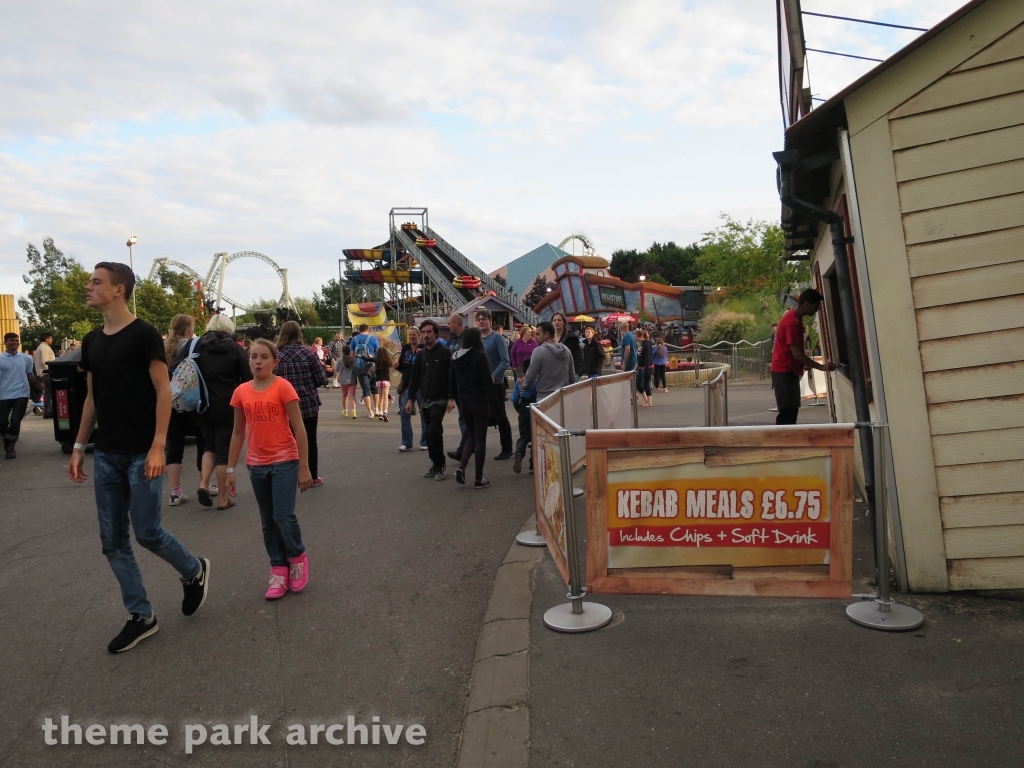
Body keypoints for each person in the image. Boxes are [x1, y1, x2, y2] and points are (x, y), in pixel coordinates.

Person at [68, 262, 210, 653]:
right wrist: (79, 447)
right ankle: (141, 615)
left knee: (147, 531)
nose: (88, 286)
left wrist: (159, 444)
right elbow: (92, 398)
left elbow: (164, 391)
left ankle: (193, 569)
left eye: (96, 281)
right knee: (112, 540)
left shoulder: (144, 334)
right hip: (107, 453)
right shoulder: (91, 341)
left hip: (143, 451)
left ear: (119, 289)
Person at [225, 339, 313, 600]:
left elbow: (299, 427)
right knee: (268, 520)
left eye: (264, 357)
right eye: (253, 356)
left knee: (283, 516)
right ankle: (278, 568)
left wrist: (304, 467)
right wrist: (230, 469)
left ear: (275, 362)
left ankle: (296, 558)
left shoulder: (282, 386)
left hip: (285, 460)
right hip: (257, 464)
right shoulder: (241, 392)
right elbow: (238, 432)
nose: (258, 361)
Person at [181, 314, 252, 509]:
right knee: (223, 453)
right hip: (227, 406)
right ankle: (222, 498)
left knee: (208, 445)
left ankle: (204, 483)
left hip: (200, 404)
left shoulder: (195, 345)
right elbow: (247, 378)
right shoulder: (235, 349)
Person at [772, 289, 837, 425]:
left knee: (790, 412)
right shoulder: (792, 322)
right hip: (784, 372)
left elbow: (793, 352)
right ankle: (783, 439)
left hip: (787, 371)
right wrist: (821, 367)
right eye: (816, 305)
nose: (818, 309)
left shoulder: (794, 317)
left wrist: (802, 363)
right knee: (787, 414)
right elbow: (797, 353)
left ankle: (786, 438)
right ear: (806, 304)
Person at [276, 320, 326, 486]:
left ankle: (288, 475)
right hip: (308, 403)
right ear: (299, 333)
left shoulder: (277, 356)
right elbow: (321, 379)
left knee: (286, 441)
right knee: (310, 439)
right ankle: (312, 475)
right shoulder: (309, 354)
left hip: (283, 405)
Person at [448, 327, 498, 489]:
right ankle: (478, 479)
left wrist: (457, 400)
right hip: (479, 402)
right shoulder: (479, 356)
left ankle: (462, 466)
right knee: (480, 440)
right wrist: (496, 406)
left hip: (464, 403)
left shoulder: (455, 357)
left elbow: (452, 383)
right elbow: (487, 384)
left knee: (471, 435)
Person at [164, 314, 206, 506]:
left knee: (174, 445)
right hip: (191, 400)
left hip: (170, 401)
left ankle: (175, 492)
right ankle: (204, 483)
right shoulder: (194, 345)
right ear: (189, 330)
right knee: (202, 440)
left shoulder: (164, 348)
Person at [405, 320, 452, 481]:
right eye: (424, 332)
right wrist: (410, 399)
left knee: (433, 430)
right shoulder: (421, 354)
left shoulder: (445, 352)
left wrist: (451, 397)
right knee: (429, 433)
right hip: (425, 399)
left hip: (440, 399)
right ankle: (435, 463)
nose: (426, 335)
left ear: (436, 334)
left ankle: (441, 465)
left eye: (429, 332)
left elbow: (451, 376)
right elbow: (415, 378)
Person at [474, 309, 514, 460]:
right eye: (478, 319)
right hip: (480, 385)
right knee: (478, 417)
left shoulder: (497, 338)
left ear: (490, 321)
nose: (481, 321)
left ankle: (507, 448)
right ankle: (474, 447)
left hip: (495, 384)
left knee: (500, 416)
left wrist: (494, 376)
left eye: (483, 319)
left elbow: (505, 360)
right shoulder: (477, 339)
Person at [1, 332, 34, 459]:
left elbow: (29, 375)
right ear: (5, 342)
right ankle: (7, 439)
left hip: (22, 393)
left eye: (16, 340)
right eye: (11, 340)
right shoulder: (1, 359)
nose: (15, 343)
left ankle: (10, 448)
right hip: (4, 394)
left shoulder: (26, 358)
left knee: (15, 420)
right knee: (2, 422)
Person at [523, 321, 575, 401]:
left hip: (545, 397)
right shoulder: (567, 350)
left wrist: (524, 385)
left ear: (547, 334)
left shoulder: (538, 351)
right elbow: (572, 377)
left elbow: (531, 375)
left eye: (538, 334)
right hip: (563, 397)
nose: (535, 337)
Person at [396, 326, 427, 451]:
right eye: (410, 335)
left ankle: (425, 441)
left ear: (419, 335)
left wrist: (422, 355)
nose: (411, 337)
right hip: (408, 384)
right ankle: (406, 442)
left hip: (421, 385)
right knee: (404, 412)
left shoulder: (424, 348)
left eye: (414, 334)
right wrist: (397, 366)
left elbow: (428, 365)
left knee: (424, 413)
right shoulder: (405, 348)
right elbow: (402, 365)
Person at [511, 355, 538, 474]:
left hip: (523, 411)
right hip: (535, 411)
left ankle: (519, 453)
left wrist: (519, 410)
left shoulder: (519, 383)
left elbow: (514, 399)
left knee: (523, 437)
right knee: (535, 439)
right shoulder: (537, 382)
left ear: (523, 370)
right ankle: (533, 465)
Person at [350, 324, 379, 419]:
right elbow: (378, 352)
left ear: (359, 330)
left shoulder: (354, 339)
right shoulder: (373, 338)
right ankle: (377, 409)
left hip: (360, 368)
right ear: (368, 329)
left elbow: (352, 355)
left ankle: (370, 412)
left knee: (366, 390)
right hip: (372, 367)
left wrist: (356, 363)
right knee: (375, 389)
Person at [551, 312, 582, 379]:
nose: (557, 322)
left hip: (567, 373)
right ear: (552, 323)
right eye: (554, 320)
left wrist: (575, 373)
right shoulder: (549, 339)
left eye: (559, 320)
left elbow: (576, 357)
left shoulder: (571, 338)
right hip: (553, 373)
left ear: (564, 322)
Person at [337, 345, 358, 418]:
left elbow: (337, 369)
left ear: (342, 351)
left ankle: (345, 411)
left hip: (343, 380)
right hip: (352, 379)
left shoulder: (340, 360)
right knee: (352, 396)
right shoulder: (353, 359)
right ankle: (354, 412)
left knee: (345, 396)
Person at [373, 346, 393, 421]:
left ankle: (380, 413)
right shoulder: (387, 360)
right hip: (386, 380)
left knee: (380, 397)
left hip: (378, 381)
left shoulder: (376, 360)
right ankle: (385, 412)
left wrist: (362, 356)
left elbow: (368, 359)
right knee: (385, 397)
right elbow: (392, 365)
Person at [637, 329, 654, 407]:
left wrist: (647, 369)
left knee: (645, 384)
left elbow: (647, 357)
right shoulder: (642, 344)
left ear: (641, 336)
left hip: (647, 367)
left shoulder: (646, 344)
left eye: (637, 337)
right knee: (638, 383)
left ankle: (649, 402)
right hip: (641, 367)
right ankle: (645, 399)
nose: (636, 338)